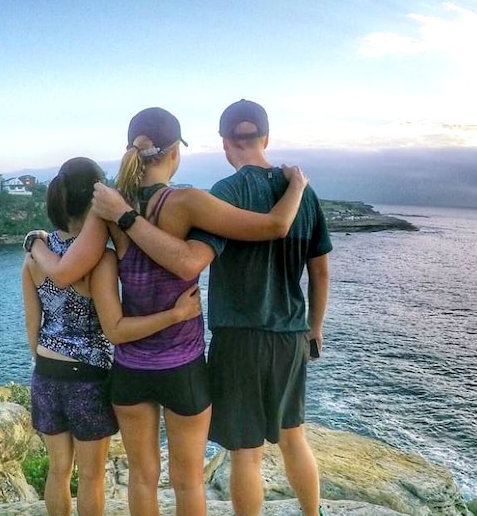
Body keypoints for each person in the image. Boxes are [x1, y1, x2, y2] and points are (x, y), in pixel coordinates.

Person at [27, 107, 308, 516]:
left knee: (142, 477)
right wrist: (297, 186)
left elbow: (66, 273)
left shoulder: (110, 210)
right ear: (174, 152)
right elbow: (274, 226)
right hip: (183, 368)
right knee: (188, 480)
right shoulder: (189, 202)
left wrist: (35, 242)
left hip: (130, 370)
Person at [190, 99, 332, 516]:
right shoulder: (302, 193)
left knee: (245, 454)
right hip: (290, 334)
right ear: (265, 138)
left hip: (239, 339)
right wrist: (315, 326)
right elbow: (320, 273)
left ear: (225, 143)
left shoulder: (226, 193)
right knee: (294, 437)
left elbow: (197, 259)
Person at [21, 157, 118, 516]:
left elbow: (33, 326)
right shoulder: (100, 260)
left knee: (58, 471)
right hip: (88, 376)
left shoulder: (35, 256)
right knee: (92, 476)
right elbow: (111, 328)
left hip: (46, 373)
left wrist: (45, 361)